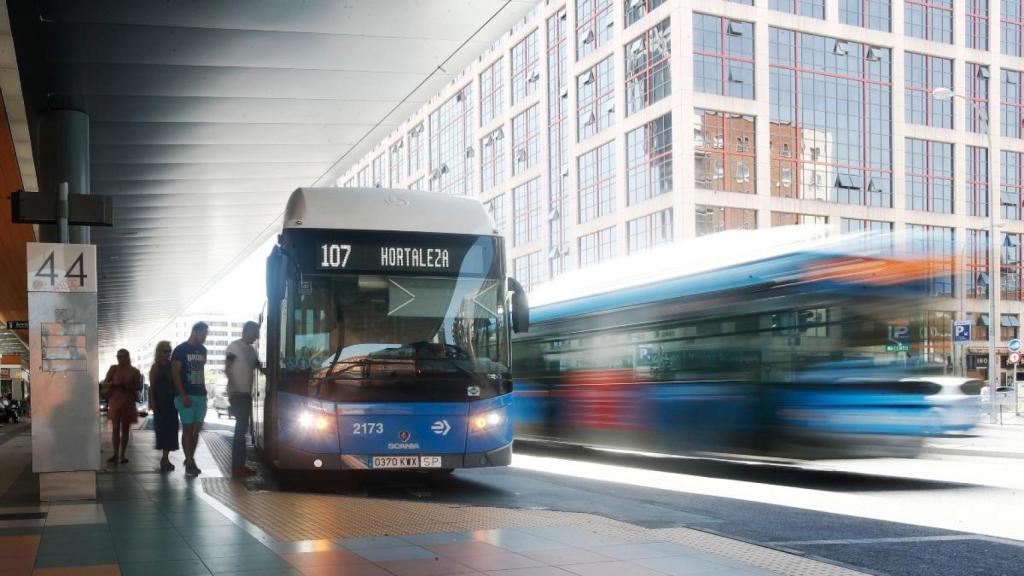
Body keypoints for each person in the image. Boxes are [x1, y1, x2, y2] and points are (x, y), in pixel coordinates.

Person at [171, 322, 209, 476]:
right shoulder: (180, 350)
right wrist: (183, 394)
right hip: (185, 395)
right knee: (187, 429)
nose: (205, 337)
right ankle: (190, 462)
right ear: (195, 331)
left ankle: (190, 458)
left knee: (196, 429)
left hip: (201, 394)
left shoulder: (203, 350)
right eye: (204, 334)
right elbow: (175, 373)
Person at [225, 321, 262, 478]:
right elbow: (227, 367)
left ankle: (240, 465)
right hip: (238, 395)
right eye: (255, 332)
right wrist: (233, 389)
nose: (257, 336)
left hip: (246, 395)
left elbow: (258, 366)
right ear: (247, 331)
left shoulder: (251, 350)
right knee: (240, 431)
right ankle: (237, 467)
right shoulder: (234, 346)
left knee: (242, 431)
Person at [103, 349, 141, 465]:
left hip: (128, 402)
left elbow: (138, 387)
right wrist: (113, 384)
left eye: (122, 356)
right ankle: (115, 453)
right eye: (118, 357)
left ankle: (122, 454)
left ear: (128, 357)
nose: (120, 359)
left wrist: (128, 387)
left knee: (125, 429)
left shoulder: (134, 371)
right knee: (115, 428)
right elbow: (105, 383)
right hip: (115, 401)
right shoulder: (113, 368)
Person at [148, 341, 179, 472]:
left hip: (172, 402)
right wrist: (152, 402)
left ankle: (165, 458)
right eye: (165, 351)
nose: (168, 353)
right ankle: (164, 459)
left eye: (169, 351)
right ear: (159, 352)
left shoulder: (173, 365)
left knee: (172, 429)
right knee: (162, 429)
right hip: (161, 402)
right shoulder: (156, 367)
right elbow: (152, 387)